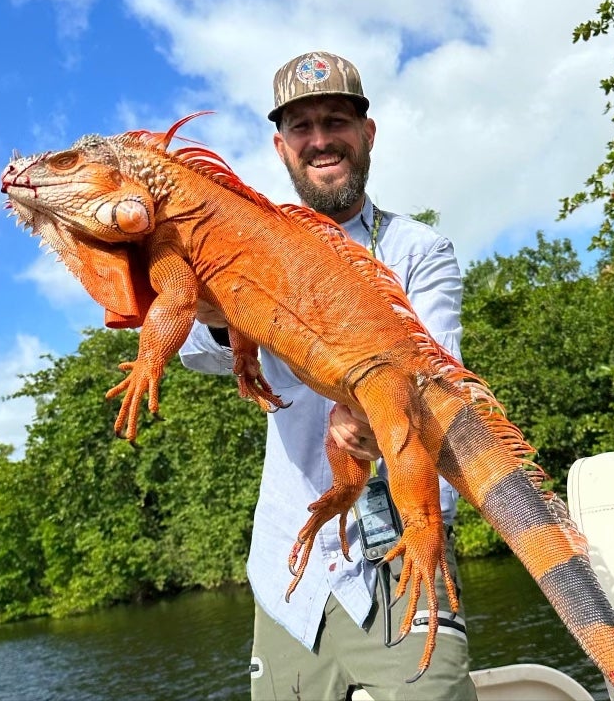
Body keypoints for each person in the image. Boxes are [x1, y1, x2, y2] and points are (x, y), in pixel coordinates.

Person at [179, 50, 478, 701]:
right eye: (301, 127)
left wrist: (372, 409)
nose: (320, 140)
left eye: (335, 120)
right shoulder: (248, 245)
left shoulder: (417, 249)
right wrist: (223, 310)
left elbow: (435, 377)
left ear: (366, 134)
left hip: (403, 541)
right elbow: (195, 352)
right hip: (291, 561)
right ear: (282, 148)